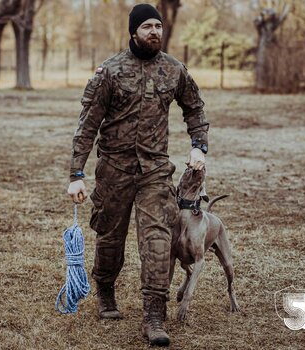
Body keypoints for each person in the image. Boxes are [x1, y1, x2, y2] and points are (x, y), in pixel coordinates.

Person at [67, 3, 209, 347]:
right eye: (147, 26)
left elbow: (194, 107)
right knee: (110, 238)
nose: (154, 32)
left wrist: (198, 147)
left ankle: (153, 317)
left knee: (158, 241)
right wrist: (76, 172)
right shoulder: (110, 71)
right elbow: (88, 124)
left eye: (158, 26)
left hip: (155, 172)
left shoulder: (174, 70)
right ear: (133, 31)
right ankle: (105, 292)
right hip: (113, 169)